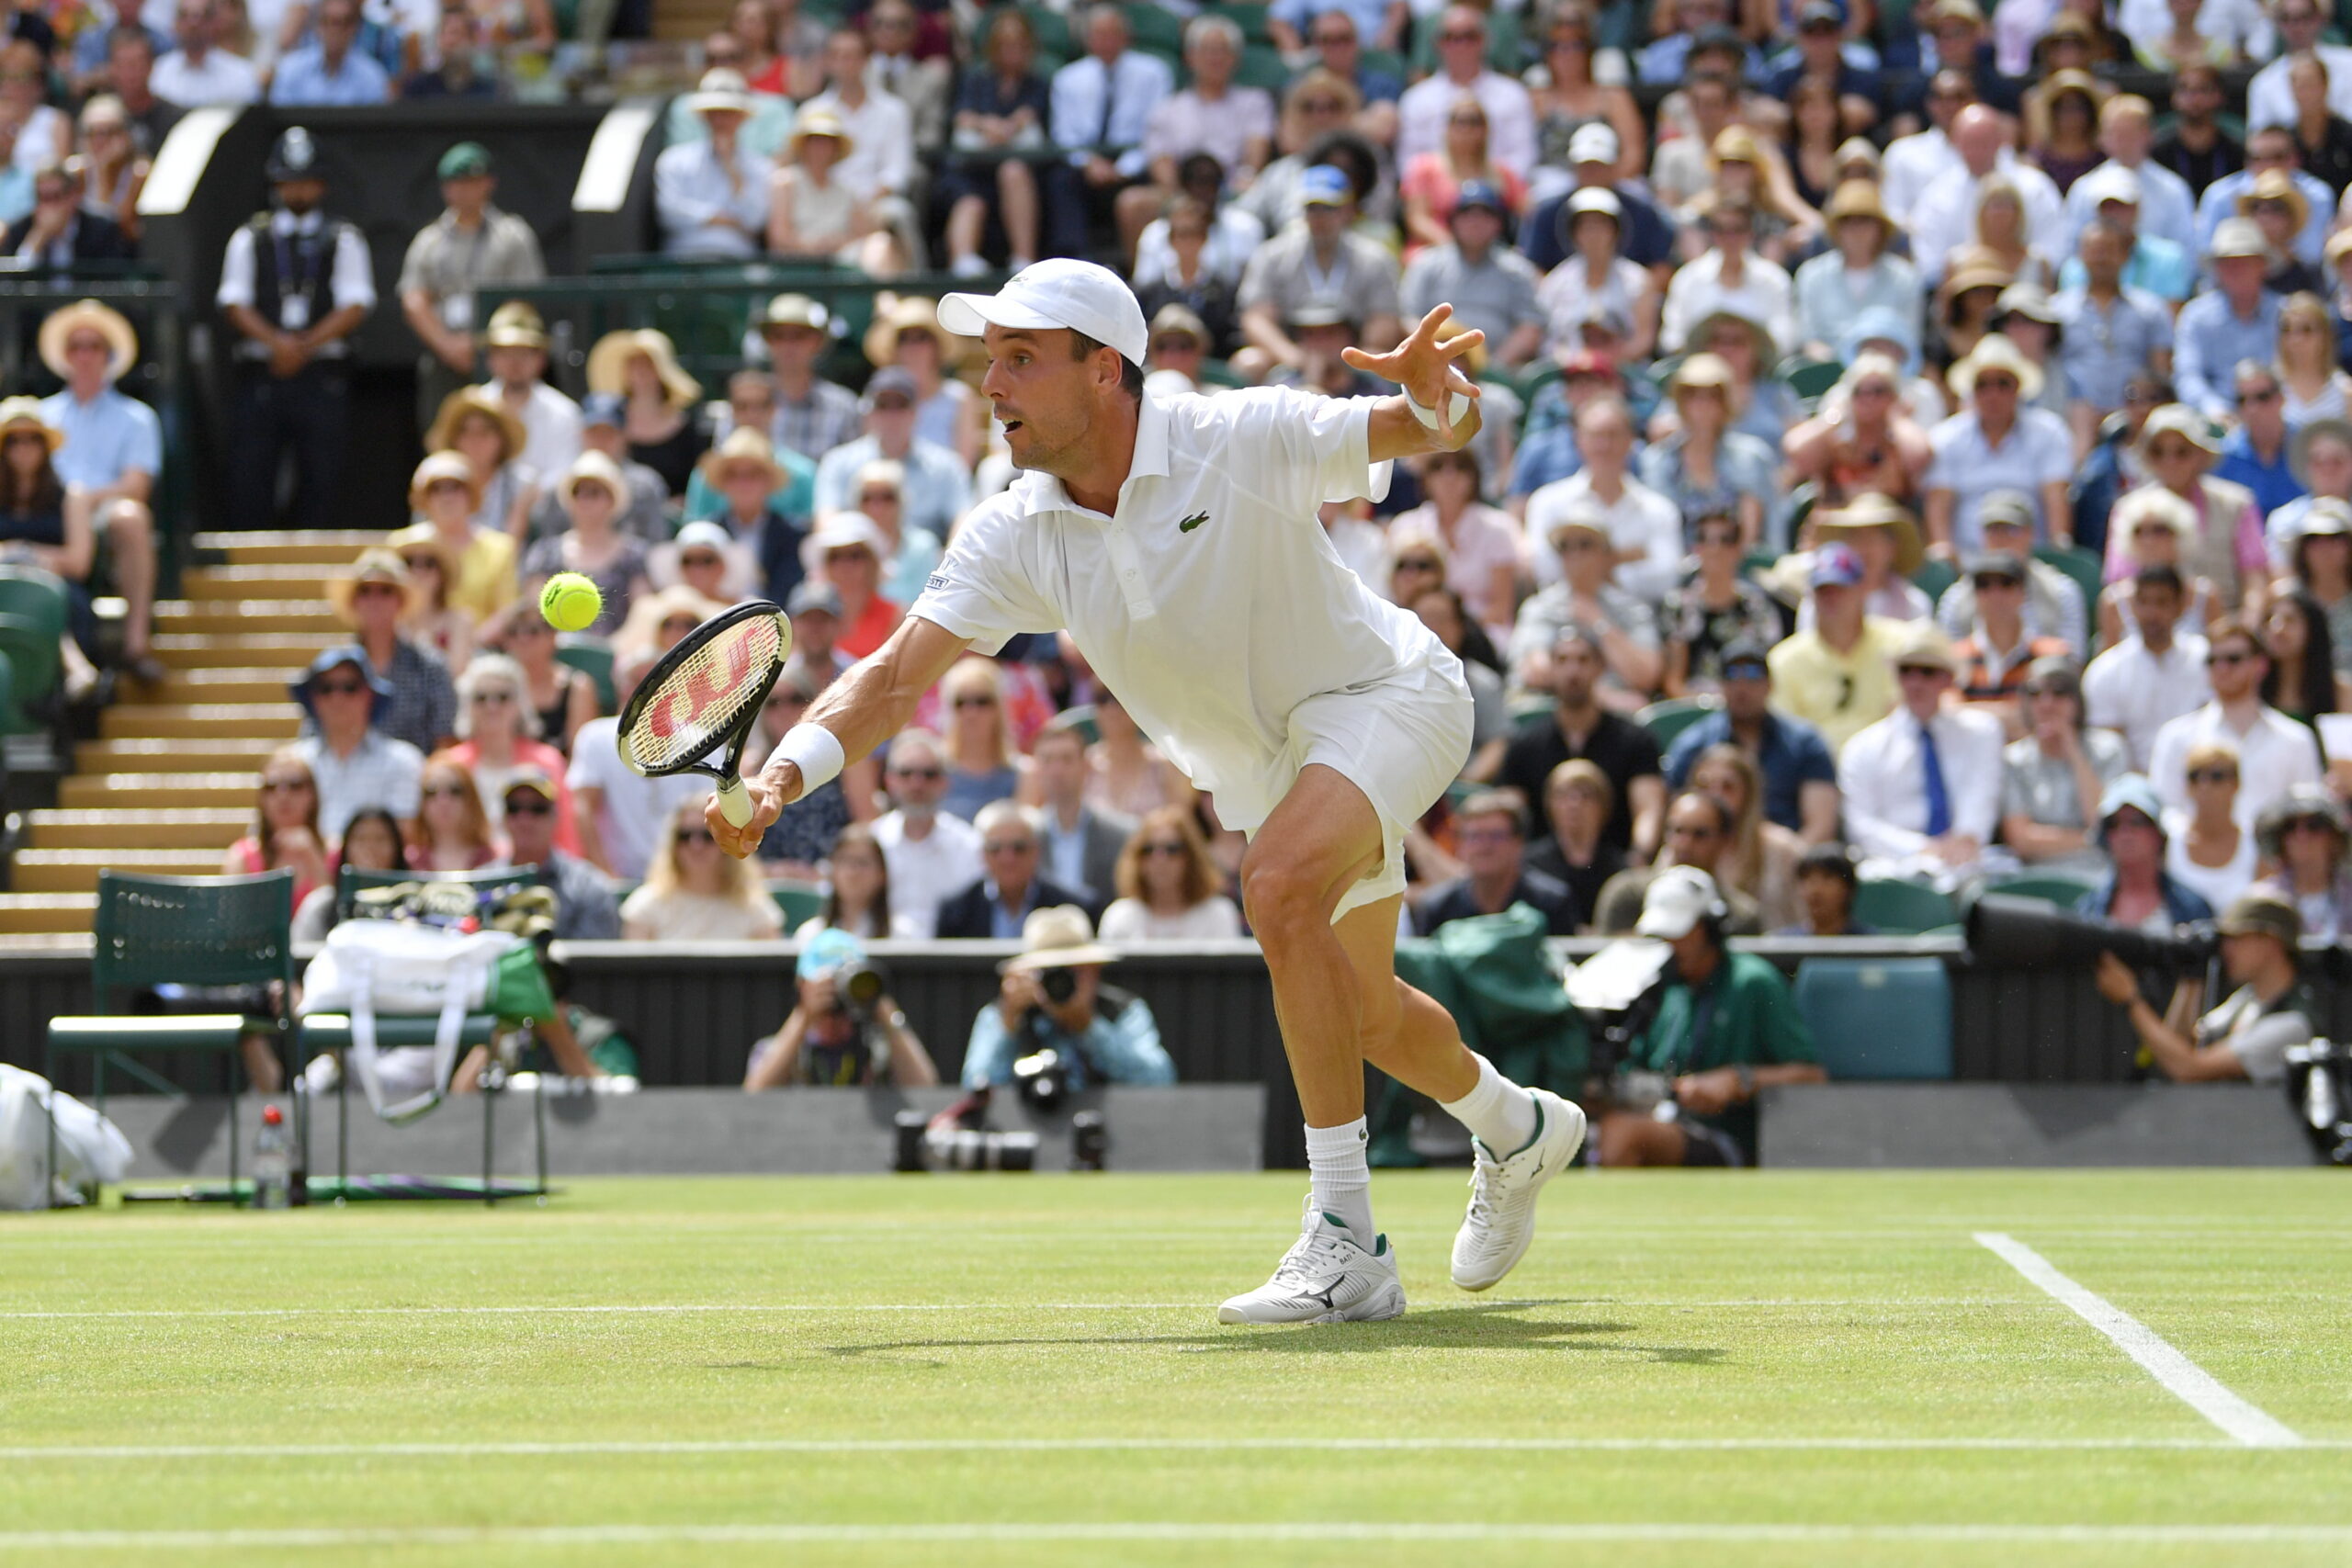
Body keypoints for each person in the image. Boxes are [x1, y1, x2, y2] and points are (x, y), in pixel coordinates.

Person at [716, 261, 1584, 1324]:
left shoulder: (1239, 435)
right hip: (1274, 768)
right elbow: (894, 678)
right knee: (1360, 1016)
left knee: (1274, 889)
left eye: (1021, 359)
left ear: (1106, 372)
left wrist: (1433, 390)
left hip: (1388, 695)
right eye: (990, 360)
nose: (992, 384)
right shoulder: (1014, 529)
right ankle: (1519, 1126)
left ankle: (1348, 1240)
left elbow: (1432, 428)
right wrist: (779, 774)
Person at [1597, 867, 1826, 1168]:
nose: (1669, 946)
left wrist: (1738, 1079)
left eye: (1679, 934)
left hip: (1732, 1138)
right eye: (1663, 936)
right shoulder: (1664, 986)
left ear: (1709, 929)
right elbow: (1639, 1069)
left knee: (1623, 1134)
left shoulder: (1753, 982)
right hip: (1664, 1122)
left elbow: (1811, 1075)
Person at [217, 126, 373, 531]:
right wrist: (276, 344)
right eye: (290, 182)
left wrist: (301, 347)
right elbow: (234, 302)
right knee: (252, 471)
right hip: (262, 371)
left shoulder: (344, 237)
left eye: (306, 182)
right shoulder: (251, 236)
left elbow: (355, 304)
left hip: (322, 374)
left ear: (321, 184)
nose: (299, 192)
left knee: (323, 472)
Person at [34, 299, 161, 682]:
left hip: (101, 515)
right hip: (47, 519)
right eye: (76, 346)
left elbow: (136, 486)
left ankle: (136, 645)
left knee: (131, 517)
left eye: (94, 346)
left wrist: (82, 502)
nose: (85, 355)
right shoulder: (40, 416)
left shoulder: (137, 417)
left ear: (109, 355)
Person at [1838, 622, 2007, 882]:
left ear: (1948, 678)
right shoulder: (1863, 747)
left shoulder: (1981, 732)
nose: (1916, 682)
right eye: (1907, 671)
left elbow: (1982, 795)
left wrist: (1965, 839)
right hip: (1893, 866)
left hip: (1966, 863)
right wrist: (1922, 848)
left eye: (1928, 672)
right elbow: (1860, 824)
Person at [2095, 891, 2312, 1084]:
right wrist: (2191, 978)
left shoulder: (2291, 1023)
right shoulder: (2247, 1001)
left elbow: (2191, 1069)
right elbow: (2179, 1047)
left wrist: (2133, 1000)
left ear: (2270, 942)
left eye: (2236, 939)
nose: (2226, 949)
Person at [961, 903, 1175, 1089]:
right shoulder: (1001, 1014)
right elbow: (975, 1085)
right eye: (1050, 972)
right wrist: (1008, 1025)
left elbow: (1159, 1080)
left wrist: (1089, 1027)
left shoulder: (1122, 1010)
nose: (1061, 981)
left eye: (1074, 970)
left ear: (1094, 970)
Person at [1498, 623, 1666, 859]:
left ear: (1600, 667)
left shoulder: (1636, 741)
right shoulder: (1524, 745)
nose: (1573, 671)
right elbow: (1510, 816)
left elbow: (1648, 812)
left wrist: (1638, 858)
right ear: (1551, 668)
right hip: (1541, 870)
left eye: (1583, 660)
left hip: (1616, 864)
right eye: (1563, 660)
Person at [2147, 615, 2324, 829]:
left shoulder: (2296, 739)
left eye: (2233, 659)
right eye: (2212, 661)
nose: (2222, 668)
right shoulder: (2176, 736)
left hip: (2271, 858)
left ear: (2261, 665)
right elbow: (2165, 811)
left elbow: (2308, 814)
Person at [1237, 164, 1404, 377]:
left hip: (1352, 357)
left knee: (1382, 359)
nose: (1320, 217)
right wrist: (1294, 357)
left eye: (1329, 208)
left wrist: (1347, 362)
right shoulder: (1272, 256)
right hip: (1294, 353)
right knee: (1249, 362)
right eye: (1312, 208)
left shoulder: (1374, 259)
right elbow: (1256, 319)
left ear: (1348, 210)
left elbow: (1384, 323)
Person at [1522, 396, 1682, 612]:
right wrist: (1622, 559)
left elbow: (1665, 577)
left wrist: (1584, 566)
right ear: (1578, 440)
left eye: (1613, 435)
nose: (1604, 445)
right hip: (1564, 622)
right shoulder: (1547, 501)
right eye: (1596, 435)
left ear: (1631, 440)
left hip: (1637, 625)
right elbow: (1544, 569)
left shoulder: (1659, 510)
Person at [1043, 4, 1175, 258]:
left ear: (1127, 36)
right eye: (1099, 34)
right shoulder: (1067, 77)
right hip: (1086, 165)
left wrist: (1124, 168)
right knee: (1059, 180)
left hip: (1136, 163)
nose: (1106, 41)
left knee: (1154, 176)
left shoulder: (1154, 72)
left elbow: (1157, 130)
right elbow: (1064, 135)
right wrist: (1089, 163)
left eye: (1113, 33)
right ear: (1087, 40)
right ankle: (1074, 260)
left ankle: (1139, 266)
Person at [1924, 334, 2075, 557]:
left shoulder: (2050, 433)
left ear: (2018, 388)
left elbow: (2056, 505)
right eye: (1982, 385)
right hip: (1967, 566)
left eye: (2002, 384)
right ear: (1971, 391)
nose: (1992, 394)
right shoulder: (1946, 437)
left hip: (2032, 563)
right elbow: (1939, 507)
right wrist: (1946, 558)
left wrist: (2056, 554)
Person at [567, 650, 710, 882]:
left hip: (685, 882)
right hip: (616, 880)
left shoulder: (702, 741)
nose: (647, 690)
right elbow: (583, 810)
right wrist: (607, 876)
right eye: (637, 681)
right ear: (620, 687)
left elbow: (708, 815)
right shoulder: (594, 738)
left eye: (655, 681)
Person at [743, 928, 938, 1089]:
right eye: (827, 981)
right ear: (802, 984)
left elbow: (926, 1087)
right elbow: (754, 1095)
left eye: (842, 982)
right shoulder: (778, 1048)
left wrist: (882, 1007)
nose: (835, 990)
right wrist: (803, 1017)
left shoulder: (879, 1049)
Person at [938, 5, 1049, 278]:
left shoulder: (1038, 83)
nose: (1012, 50)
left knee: (1013, 171)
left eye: (1018, 44)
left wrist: (1011, 127)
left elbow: (1035, 120)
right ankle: (963, 264)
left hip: (1021, 172)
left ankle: (1023, 261)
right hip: (975, 168)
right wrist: (986, 124)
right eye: (1005, 44)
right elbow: (961, 117)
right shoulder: (976, 78)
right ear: (994, 46)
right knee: (969, 198)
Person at [1996, 656, 2132, 877]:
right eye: (2035, 693)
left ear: (2077, 701)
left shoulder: (2109, 749)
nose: (2047, 703)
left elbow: (2104, 822)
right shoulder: (2013, 759)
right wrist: (2091, 840)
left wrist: (2072, 749)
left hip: (2100, 872)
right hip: (2035, 875)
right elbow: (2021, 840)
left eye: (2059, 692)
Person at [1767, 542, 1905, 754]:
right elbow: (1787, 739)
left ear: (1862, 588)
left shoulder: (1898, 644)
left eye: (1840, 589)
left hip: (1885, 768)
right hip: (1816, 775)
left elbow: (1905, 718)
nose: (1831, 599)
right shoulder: (1784, 660)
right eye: (1823, 590)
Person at [324, 548, 456, 756]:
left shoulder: (430, 666)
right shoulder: (332, 669)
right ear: (353, 601)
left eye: (386, 591)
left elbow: (444, 742)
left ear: (401, 600)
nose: (374, 600)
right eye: (365, 591)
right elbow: (313, 735)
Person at [1400, 181, 1544, 367]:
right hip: (1432, 364)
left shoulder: (1517, 269)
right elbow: (1407, 317)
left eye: (1485, 215)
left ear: (1499, 223)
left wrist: (1493, 365)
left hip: (1498, 372)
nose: (1475, 222)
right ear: (1453, 221)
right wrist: (1433, 355)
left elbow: (1530, 327)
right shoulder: (1427, 263)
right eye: (1466, 214)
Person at [1589, 787, 1768, 935]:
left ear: (1726, 841)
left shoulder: (1741, 916)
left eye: (1700, 834)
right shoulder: (1627, 895)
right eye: (1677, 831)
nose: (1685, 844)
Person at [446, 653, 579, 851]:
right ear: (467, 705)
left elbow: (566, 833)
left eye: (503, 697)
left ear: (520, 704)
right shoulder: (451, 765)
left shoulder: (547, 762)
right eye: (481, 698)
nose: (492, 707)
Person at [287, 647, 422, 840]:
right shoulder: (292, 763)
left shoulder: (404, 761)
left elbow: (404, 837)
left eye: (349, 687)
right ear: (313, 698)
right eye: (326, 688)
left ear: (370, 695)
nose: (337, 697)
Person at [1412, 788, 1579, 936]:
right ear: (1460, 845)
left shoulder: (1551, 904)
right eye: (1474, 837)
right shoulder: (1437, 908)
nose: (1485, 847)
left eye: (1496, 836)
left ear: (1519, 843)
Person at [1396, 5, 1535, 177]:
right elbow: (1409, 162)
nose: (1460, 45)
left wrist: (1487, 185)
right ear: (1437, 43)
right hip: (1435, 194)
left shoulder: (1513, 94)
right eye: (1450, 37)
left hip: (1498, 194)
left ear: (1486, 40)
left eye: (1469, 36)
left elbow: (1522, 157)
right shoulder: (1416, 99)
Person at [491, 766, 621, 942]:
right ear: (503, 818)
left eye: (537, 809)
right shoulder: (484, 884)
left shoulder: (589, 888)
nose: (525, 819)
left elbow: (592, 962)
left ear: (555, 816)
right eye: (514, 808)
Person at [621, 803, 785, 942]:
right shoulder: (646, 906)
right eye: (685, 836)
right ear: (673, 845)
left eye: (708, 836)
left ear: (728, 842)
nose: (696, 845)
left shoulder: (756, 910)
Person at [1686, 743, 1805, 931]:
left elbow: (1805, 922)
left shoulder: (1784, 849)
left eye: (1728, 787)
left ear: (1748, 793)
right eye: (1704, 786)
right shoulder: (1681, 845)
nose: (1716, 795)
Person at [2176, 220, 2286, 422]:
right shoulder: (2195, 316)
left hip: (2278, 416)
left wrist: (2268, 408)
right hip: (2214, 421)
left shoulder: (2286, 313)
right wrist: (2214, 409)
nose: (2236, 269)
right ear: (2216, 270)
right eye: (2227, 263)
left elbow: (2298, 372)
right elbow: (2187, 376)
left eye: (2244, 262)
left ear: (2262, 265)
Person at [934, 800, 1091, 939]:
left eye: (1019, 848)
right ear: (982, 854)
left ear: (1036, 851)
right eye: (996, 849)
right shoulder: (956, 912)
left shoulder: (1072, 910)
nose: (1008, 859)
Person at [654, 69, 767, 259]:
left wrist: (732, 169)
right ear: (704, 116)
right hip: (683, 258)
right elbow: (670, 213)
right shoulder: (673, 160)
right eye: (714, 113)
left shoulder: (760, 166)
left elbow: (755, 220)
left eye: (728, 113)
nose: (720, 120)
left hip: (738, 260)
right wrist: (725, 220)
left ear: (741, 117)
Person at [586, 328, 707, 502]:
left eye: (647, 363)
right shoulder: (607, 423)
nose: (640, 371)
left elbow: (697, 482)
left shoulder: (686, 428)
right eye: (633, 364)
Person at [1093, 805, 1243, 942]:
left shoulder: (1217, 915)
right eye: (1148, 850)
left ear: (1191, 857)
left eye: (1172, 849)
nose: (1160, 860)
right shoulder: (1120, 918)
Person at [1030, 716, 1131, 907]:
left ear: (1086, 766)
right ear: (1036, 769)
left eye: (1067, 759)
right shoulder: (1022, 838)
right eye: (1047, 760)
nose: (1057, 770)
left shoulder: (1122, 835)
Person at [474, 300, 576, 490]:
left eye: (523, 353)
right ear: (490, 358)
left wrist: (523, 501)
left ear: (541, 359)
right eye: (505, 353)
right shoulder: (472, 408)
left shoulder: (564, 412)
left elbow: (565, 476)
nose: (514, 362)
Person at [756, 294, 864, 464]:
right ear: (768, 341)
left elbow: (853, 472)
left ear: (817, 342)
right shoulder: (747, 403)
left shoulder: (843, 407)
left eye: (798, 336)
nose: (788, 345)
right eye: (779, 336)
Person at [221, 745, 325, 911]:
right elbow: (233, 921)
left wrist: (312, 857)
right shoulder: (241, 857)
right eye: (271, 787)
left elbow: (334, 917)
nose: (283, 795)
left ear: (312, 794)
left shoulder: (334, 853)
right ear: (261, 799)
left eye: (295, 785)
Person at [2165, 739, 2257, 913]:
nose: (2204, 785)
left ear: (2236, 784)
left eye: (2217, 776)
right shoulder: (2167, 841)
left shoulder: (2256, 844)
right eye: (2194, 776)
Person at [2248, 786, 2352, 941]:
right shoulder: (2263, 901)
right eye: (2290, 827)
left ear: (2334, 837)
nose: (2302, 835)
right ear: (2280, 839)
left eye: (2314, 825)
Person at [268, 0, 387, 104]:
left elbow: (373, 125)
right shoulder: (290, 69)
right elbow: (280, 120)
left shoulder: (372, 76)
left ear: (355, 28)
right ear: (317, 25)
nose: (335, 30)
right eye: (328, 22)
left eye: (342, 23)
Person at [153, 0, 259, 107]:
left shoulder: (241, 75)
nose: (193, 24)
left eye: (202, 16)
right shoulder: (158, 72)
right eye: (185, 16)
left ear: (215, 22)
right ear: (175, 23)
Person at [407, 752, 496, 873]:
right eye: (431, 791)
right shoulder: (410, 860)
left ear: (471, 799)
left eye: (455, 791)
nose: (443, 801)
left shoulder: (492, 858)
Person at [1780, 840, 1871, 935]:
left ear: (1847, 888)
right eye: (1807, 879)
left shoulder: (1872, 944)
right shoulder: (1781, 943)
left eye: (1827, 878)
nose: (1815, 890)